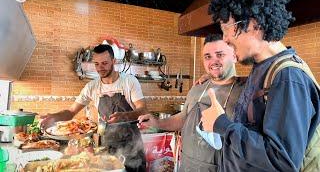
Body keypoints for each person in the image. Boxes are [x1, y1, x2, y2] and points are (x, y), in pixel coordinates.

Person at [200, 0, 320, 171]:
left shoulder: (288, 77)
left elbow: (282, 162)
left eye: (227, 28)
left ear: (254, 24)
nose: (225, 38)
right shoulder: (263, 68)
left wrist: (223, 125)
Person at [138, 34, 246, 171]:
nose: (214, 61)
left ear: (235, 56)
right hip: (188, 166)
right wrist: (157, 123)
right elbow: (183, 118)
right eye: (208, 57)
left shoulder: (245, 92)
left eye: (220, 55)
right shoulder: (198, 88)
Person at [41, 44, 147, 172]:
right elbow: (70, 112)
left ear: (114, 61)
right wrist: (54, 117)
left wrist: (124, 116)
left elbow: (143, 110)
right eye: (96, 64)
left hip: (132, 145)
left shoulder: (129, 81)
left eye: (104, 63)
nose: (100, 68)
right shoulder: (92, 87)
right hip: (108, 145)